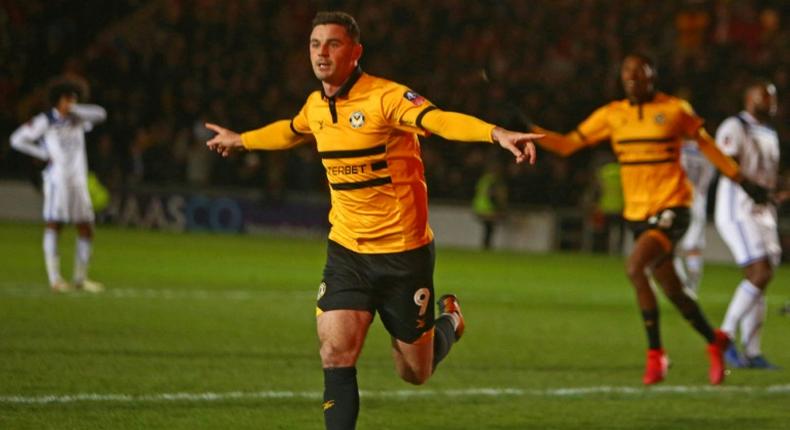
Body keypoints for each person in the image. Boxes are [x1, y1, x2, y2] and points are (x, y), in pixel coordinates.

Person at [204, 11, 542, 430]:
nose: (321, 53)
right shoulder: (315, 107)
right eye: (314, 44)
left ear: (356, 51)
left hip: (404, 256)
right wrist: (242, 140)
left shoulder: (386, 99)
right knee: (335, 353)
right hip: (347, 252)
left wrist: (496, 133)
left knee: (414, 372)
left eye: (333, 44)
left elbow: (439, 119)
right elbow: (290, 131)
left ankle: (451, 321)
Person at [527, 53, 769, 385]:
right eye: (626, 75)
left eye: (638, 74)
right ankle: (716, 342)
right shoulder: (613, 115)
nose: (632, 80)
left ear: (651, 77)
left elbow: (708, 146)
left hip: (673, 206)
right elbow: (568, 144)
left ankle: (656, 355)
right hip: (637, 213)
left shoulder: (674, 110)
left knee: (634, 267)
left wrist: (743, 181)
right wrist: (533, 133)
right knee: (675, 291)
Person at [10, 79, 107, 293]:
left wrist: (74, 109)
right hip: (57, 180)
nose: (71, 102)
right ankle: (55, 279)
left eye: (74, 98)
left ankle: (81, 279)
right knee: (55, 224)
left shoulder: (78, 119)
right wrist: (42, 154)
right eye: (67, 98)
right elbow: (16, 139)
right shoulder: (45, 121)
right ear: (57, 100)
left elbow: (101, 114)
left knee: (86, 227)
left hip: (78, 180)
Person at [715, 80, 783, 369]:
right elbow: (725, 163)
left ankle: (752, 352)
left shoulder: (770, 133)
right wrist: (753, 189)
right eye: (763, 95)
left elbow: (766, 175)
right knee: (760, 272)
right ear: (748, 98)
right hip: (737, 210)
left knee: (760, 281)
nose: (769, 100)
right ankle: (724, 338)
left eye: (772, 97)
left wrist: (776, 191)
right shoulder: (734, 126)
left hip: (764, 213)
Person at [673, 138, 716, 294]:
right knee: (694, 247)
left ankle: (683, 286)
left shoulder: (677, 146)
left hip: (678, 199)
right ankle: (693, 286)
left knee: (672, 246)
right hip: (699, 200)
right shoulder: (706, 150)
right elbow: (709, 177)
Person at [472, 155, 508, 250]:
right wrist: (500, 207)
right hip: (488, 208)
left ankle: (486, 246)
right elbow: (493, 195)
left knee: (488, 229)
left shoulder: (484, 179)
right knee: (489, 229)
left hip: (479, 207)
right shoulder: (494, 181)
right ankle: (487, 247)